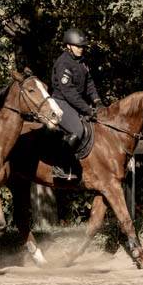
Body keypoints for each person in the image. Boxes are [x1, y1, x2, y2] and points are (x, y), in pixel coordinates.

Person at [51, 28, 102, 180]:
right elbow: (69, 93)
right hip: (61, 102)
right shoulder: (63, 63)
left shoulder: (82, 62)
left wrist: (98, 102)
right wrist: (87, 109)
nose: (81, 49)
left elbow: (90, 84)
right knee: (78, 130)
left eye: (83, 47)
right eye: (78, 46)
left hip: (76, 103)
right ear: (68, 46)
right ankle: (59, 166)